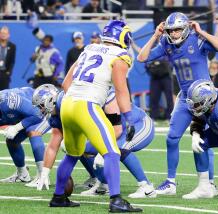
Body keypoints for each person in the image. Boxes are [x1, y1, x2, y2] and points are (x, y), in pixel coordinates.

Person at [48, 20, 142, 212]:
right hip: (87, 106)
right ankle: (116, 200)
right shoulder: (120, 56)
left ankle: (58, 197)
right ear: (123, 36)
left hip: (68, 104)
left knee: (73, 153)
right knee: (112, 152)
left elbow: (66, 82)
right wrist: (129, 118)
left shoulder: (89, 48)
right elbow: (121, 90)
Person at [137, 12, 218, 195]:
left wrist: (201, 31)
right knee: (171, 138)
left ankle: (209, 183)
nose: (174, 33)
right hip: (185, 97)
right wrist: (155, 35)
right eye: (171, 30)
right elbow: (142, 57)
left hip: (205, 97)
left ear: (185, 29)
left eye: (178, 29)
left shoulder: (197, 39)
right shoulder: (166, 43)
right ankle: (170, 182)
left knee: (204, 140)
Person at [35, 85, 156, 199]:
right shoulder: (61, 112)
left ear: (50, 101)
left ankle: (146, 187)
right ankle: (103, 184)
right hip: (115, 129)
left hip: (137, 125)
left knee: (119, 148)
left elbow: (117, 129)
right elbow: (52, 146)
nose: (40, 110)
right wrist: (45, 171)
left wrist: (103, 151)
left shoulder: (91, 97)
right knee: (79, 147)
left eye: (41, 106)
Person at [0, 87, 50, 187]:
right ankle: (22, 175)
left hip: (41, 110)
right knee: (12, 141)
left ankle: (43, 177)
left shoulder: (9, 101)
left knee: (33, 132)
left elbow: (37, 114)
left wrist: (16, 128)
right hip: (25, 116)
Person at [0, 26, 15, 90]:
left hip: (5, 73)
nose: (3, 35)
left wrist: (9, 73)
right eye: (2, 33)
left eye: (5, 33)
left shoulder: (12, 46)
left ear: (8, 35)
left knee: (4, 94)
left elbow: (12, 61)